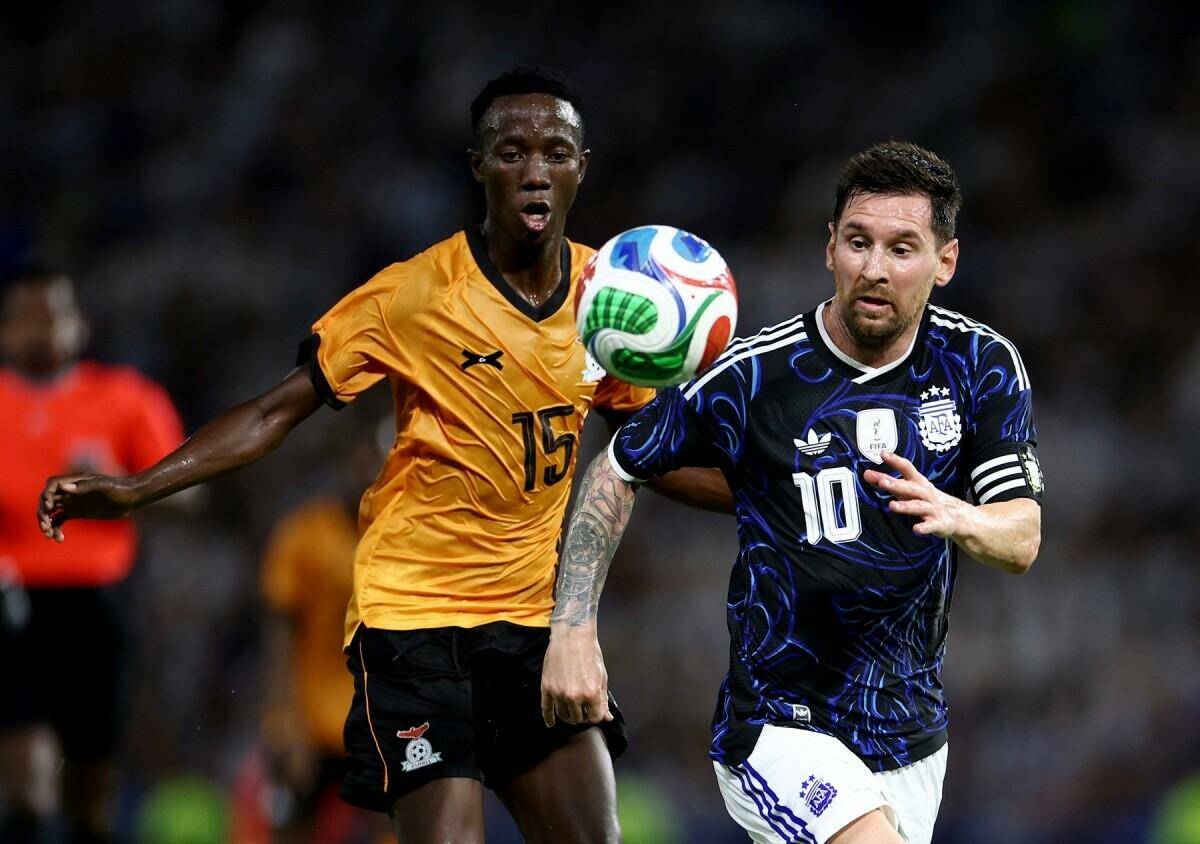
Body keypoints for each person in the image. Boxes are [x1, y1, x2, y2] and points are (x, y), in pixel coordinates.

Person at [37, 66, 730, 843]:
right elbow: (272, 412)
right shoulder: (414, 295)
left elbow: (645, 455)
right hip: (415, 623)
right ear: (479, 166)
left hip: (532, 626)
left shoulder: (612, 301)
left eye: (556, 153)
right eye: (512, 153)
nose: (535, 171)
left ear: (582, 167)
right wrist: (137, 488)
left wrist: (772, 496)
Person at [541, 141, 1044, 844]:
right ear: (830, 247)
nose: (874, 268)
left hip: (912, 736)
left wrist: (956, 513)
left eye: (902, 249)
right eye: (858, 243)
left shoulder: (979, 364)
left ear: (945, 261)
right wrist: (571, 631)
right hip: (780, 726)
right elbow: (619, 466)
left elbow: (1021, 538)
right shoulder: (754, 376)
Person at [0, 267, 185, 844]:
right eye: (24, 317)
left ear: (78, 325)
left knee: (90, 789)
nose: (39, 329)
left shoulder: (125, 399)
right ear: (4, 331)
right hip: (11, 601)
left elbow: (189, 494)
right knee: (27, 776)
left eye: (51, 315)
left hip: (98, 604)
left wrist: (123, 484)